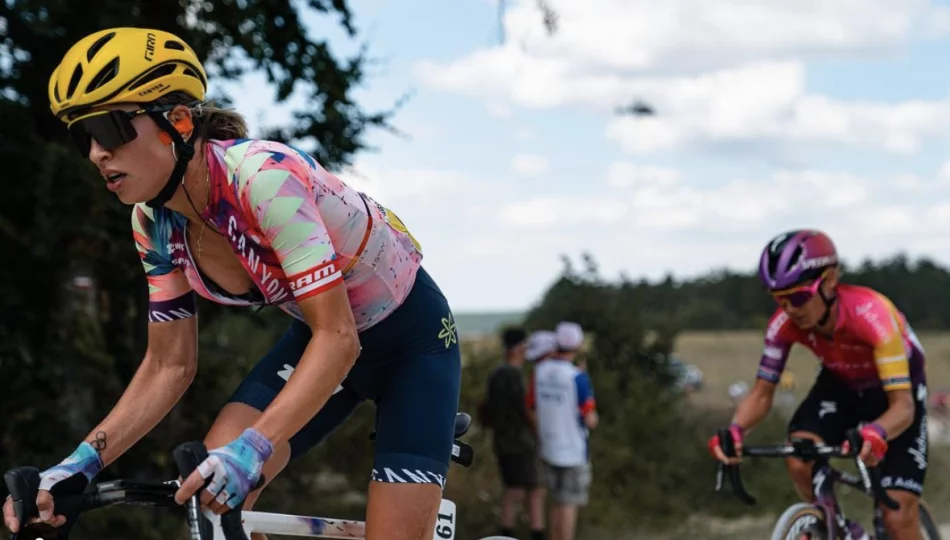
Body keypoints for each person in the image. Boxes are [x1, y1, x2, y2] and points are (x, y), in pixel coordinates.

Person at [2, 27, 462, 540]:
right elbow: (168, 365)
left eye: (108, 129)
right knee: (212, 503)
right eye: (80, 136)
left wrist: (258, 444)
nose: (94, 153)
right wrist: (81, 463)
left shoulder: (263, 179)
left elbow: (339, 337)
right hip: (318, 342)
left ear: (176, 122)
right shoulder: (151, 224)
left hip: (411, 345)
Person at [708, 229, 928, 540]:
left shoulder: (873, 315)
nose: (789, 309)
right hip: (840, 384)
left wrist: (878, 432)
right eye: (779, 298)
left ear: (829, 281)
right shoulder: (782, 325)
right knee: (799, 456)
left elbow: (902, 407)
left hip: (895, 394)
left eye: (798, 296)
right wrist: (735, 430)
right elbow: (761, 393)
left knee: (897, 515)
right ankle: (830, 524)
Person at [528, 322, 597, 540]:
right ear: (577, 345)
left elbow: (531, 407)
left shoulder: (538, 371)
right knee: (568, 504)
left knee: (556, 501)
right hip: (573, 451)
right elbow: (591, 419)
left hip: (548, 447)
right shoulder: (578, 377)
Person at [484, 328, 550, 540]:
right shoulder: (514, 375)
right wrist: (539, 429)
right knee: (523, 490)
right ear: (518, 348)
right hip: (520, 442)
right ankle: (520, 532)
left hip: (502, 440)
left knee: (521, 488)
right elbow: (525, 409)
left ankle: (511, 532)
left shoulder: (496, 374)